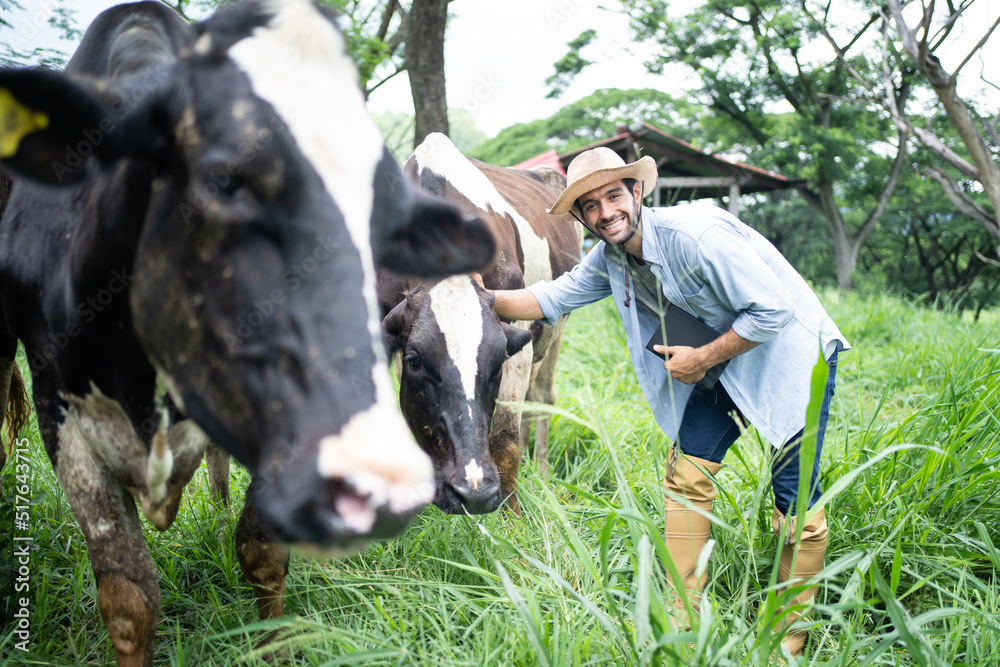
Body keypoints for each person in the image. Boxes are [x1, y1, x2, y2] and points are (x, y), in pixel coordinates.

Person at [478, 147, 848, 656]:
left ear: (637, 192)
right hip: (719, 366)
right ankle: (680, 620)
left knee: (796, 508)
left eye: (613, 195)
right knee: (688, 476)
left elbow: (773, 311)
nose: (605, 212)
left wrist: (701, 359)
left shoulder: (696, 235)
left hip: (790, 359)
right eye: (590, 205)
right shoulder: (608, 258)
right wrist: (477, 295)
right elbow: (549, 299)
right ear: (582, 217)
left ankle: (787, 640)